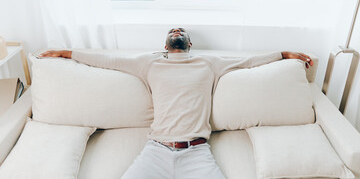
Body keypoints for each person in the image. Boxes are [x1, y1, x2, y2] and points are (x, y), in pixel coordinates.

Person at [40, 28, 313, 179]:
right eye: (172, 30)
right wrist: (66, 53)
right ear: (167, 44)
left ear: (189, 43)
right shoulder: (149, 62)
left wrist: (283, 55)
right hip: (155, 151)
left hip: (197, 152)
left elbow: (250, 62)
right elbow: (107, 61)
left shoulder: (210, 62)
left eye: (180, 30)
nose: (176, 30)